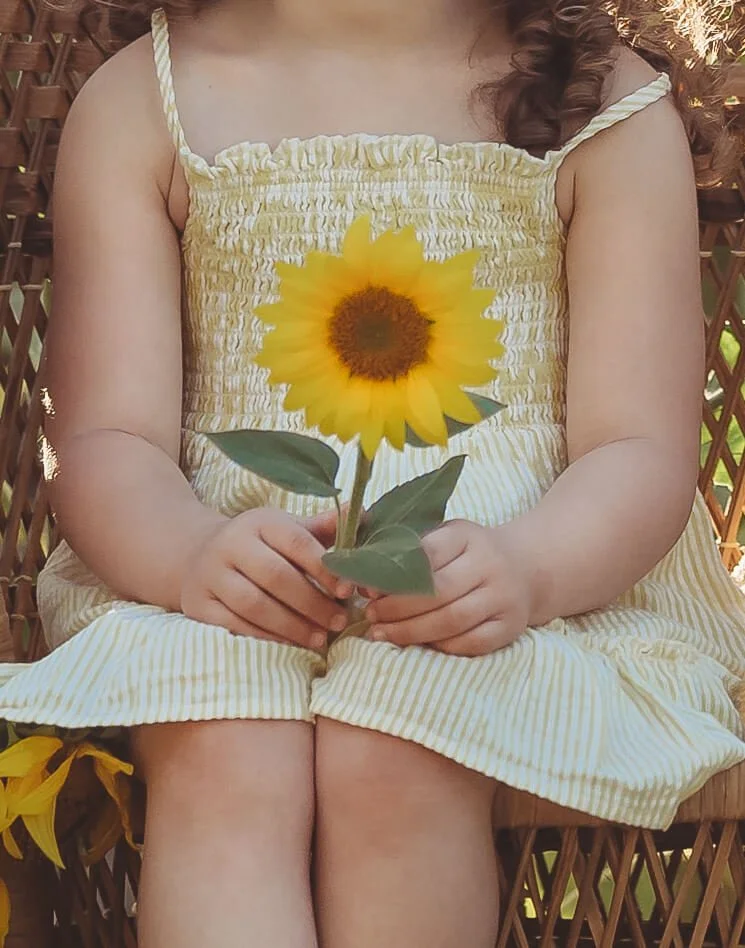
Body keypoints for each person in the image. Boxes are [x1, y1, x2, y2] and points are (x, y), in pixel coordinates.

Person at [2, 0, 745, 945]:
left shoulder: (605, 109)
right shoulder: (147, 102)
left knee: (393, 742)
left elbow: (636, 449)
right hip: (214, 579)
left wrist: (529, 569)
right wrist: (187, 556)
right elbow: (104, 437)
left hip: (527, 591)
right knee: (225, 746)